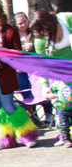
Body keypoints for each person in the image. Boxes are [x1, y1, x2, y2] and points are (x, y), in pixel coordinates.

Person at [0, 0, 38, 148]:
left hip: (5, 75)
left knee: (9, 106)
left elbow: (18, 53)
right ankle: (4, 139)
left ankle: (27, 135)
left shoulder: (11, 30)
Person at [30, 10, 72, 146]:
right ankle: (66, 136)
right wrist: (45, 86)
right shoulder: (40, 40)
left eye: (43, 31)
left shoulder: (67, 19)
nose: (41, 35)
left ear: (48, 23)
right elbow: (42, 66)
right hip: (64, 78)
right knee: (65, 108)